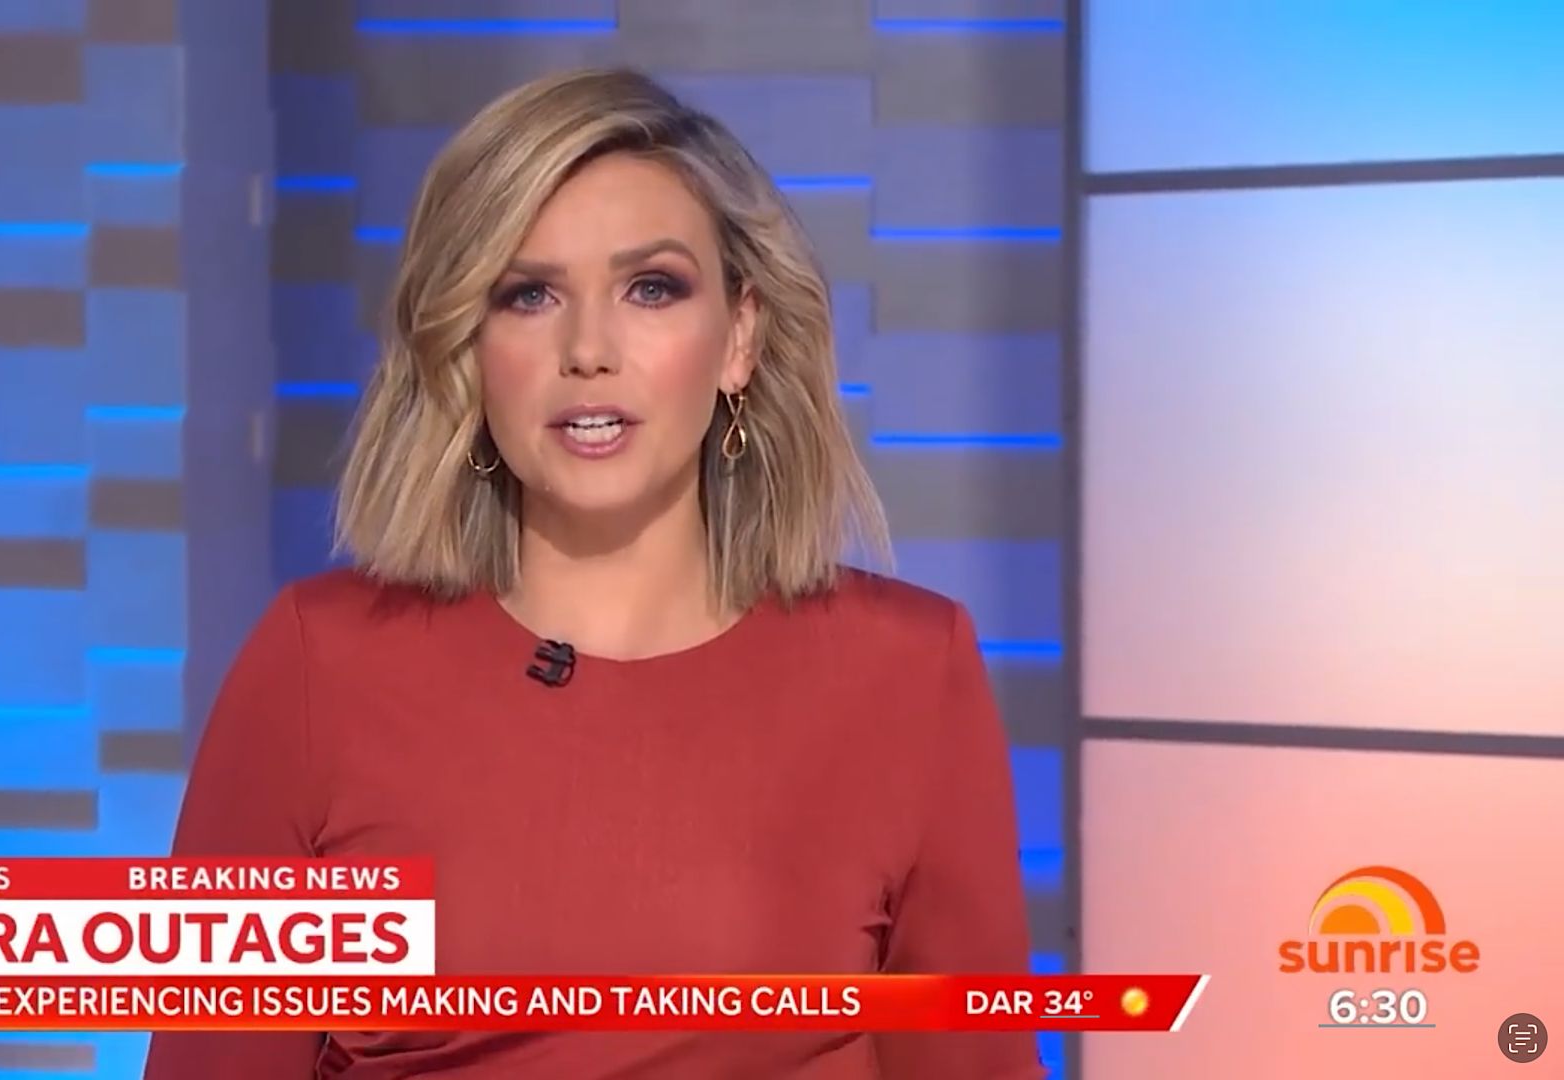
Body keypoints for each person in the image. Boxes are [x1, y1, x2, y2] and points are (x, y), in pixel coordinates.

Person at [143, 68, 1042, 1079]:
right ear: (470, 347)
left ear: (740, 337)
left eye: (650, 288)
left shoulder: (906, 674)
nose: (587, 350)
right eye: (528, 295)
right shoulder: (318, 666)